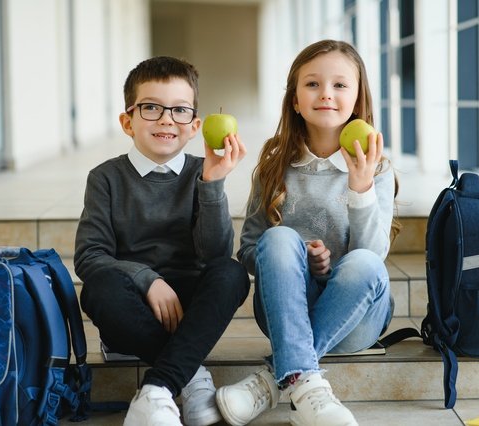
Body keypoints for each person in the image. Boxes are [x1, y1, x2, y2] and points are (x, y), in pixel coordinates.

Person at [215, 40, 398, 426]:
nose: (326, 94)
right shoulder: (274, 164)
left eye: (340, 85)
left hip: (356, 317)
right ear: (295, 100)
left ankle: (275, 378)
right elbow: (248, 250)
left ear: (357, 99)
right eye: (313, 84)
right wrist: (297, 254)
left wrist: (360, 187)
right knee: (279, 238)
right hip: (286, 309)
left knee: (364, 262)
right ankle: (302, 381)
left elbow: (372, 257)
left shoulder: (375, 166)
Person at [74, 56, 250, 426]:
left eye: (180, 110)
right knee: (96, 288)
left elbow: (216, 254)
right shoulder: (105, 178)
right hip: (132, 307)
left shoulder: (201, 173)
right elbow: (90, 256)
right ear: (128, 121)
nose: (167, 119)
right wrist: (147, 279)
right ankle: (192, 375)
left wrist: (213, 183)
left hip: (188, 310)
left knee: (231, 274)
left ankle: (157, 388)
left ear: (195, 126)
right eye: (152, 107)